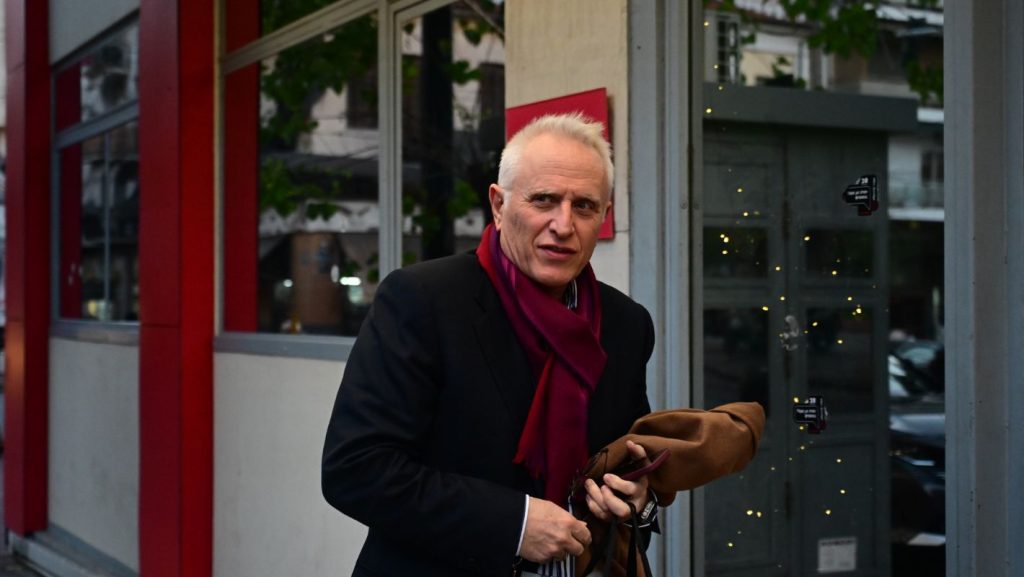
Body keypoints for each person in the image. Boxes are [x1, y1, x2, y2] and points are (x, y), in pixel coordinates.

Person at [322, 113, 658, 577]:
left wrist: (638, 500)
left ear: (604, 216)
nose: (563, 224)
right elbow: (356, 470)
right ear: (499, 206)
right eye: (544, 200)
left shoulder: (626, 325)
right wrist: (515, 524)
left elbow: (630, 460)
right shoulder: (423, 301)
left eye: (584, 206)